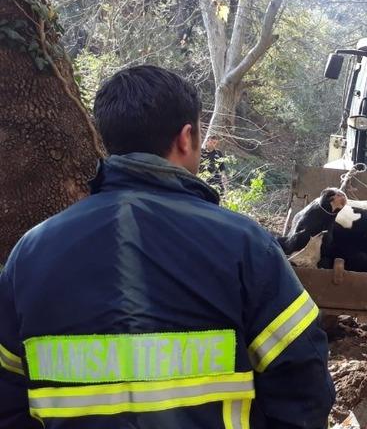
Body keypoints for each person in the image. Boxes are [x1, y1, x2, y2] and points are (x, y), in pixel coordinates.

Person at [0, 65, 335, 429]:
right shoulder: (245, 246)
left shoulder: (30, 255)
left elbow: (8, 398)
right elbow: (303, 382)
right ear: (186, 138)